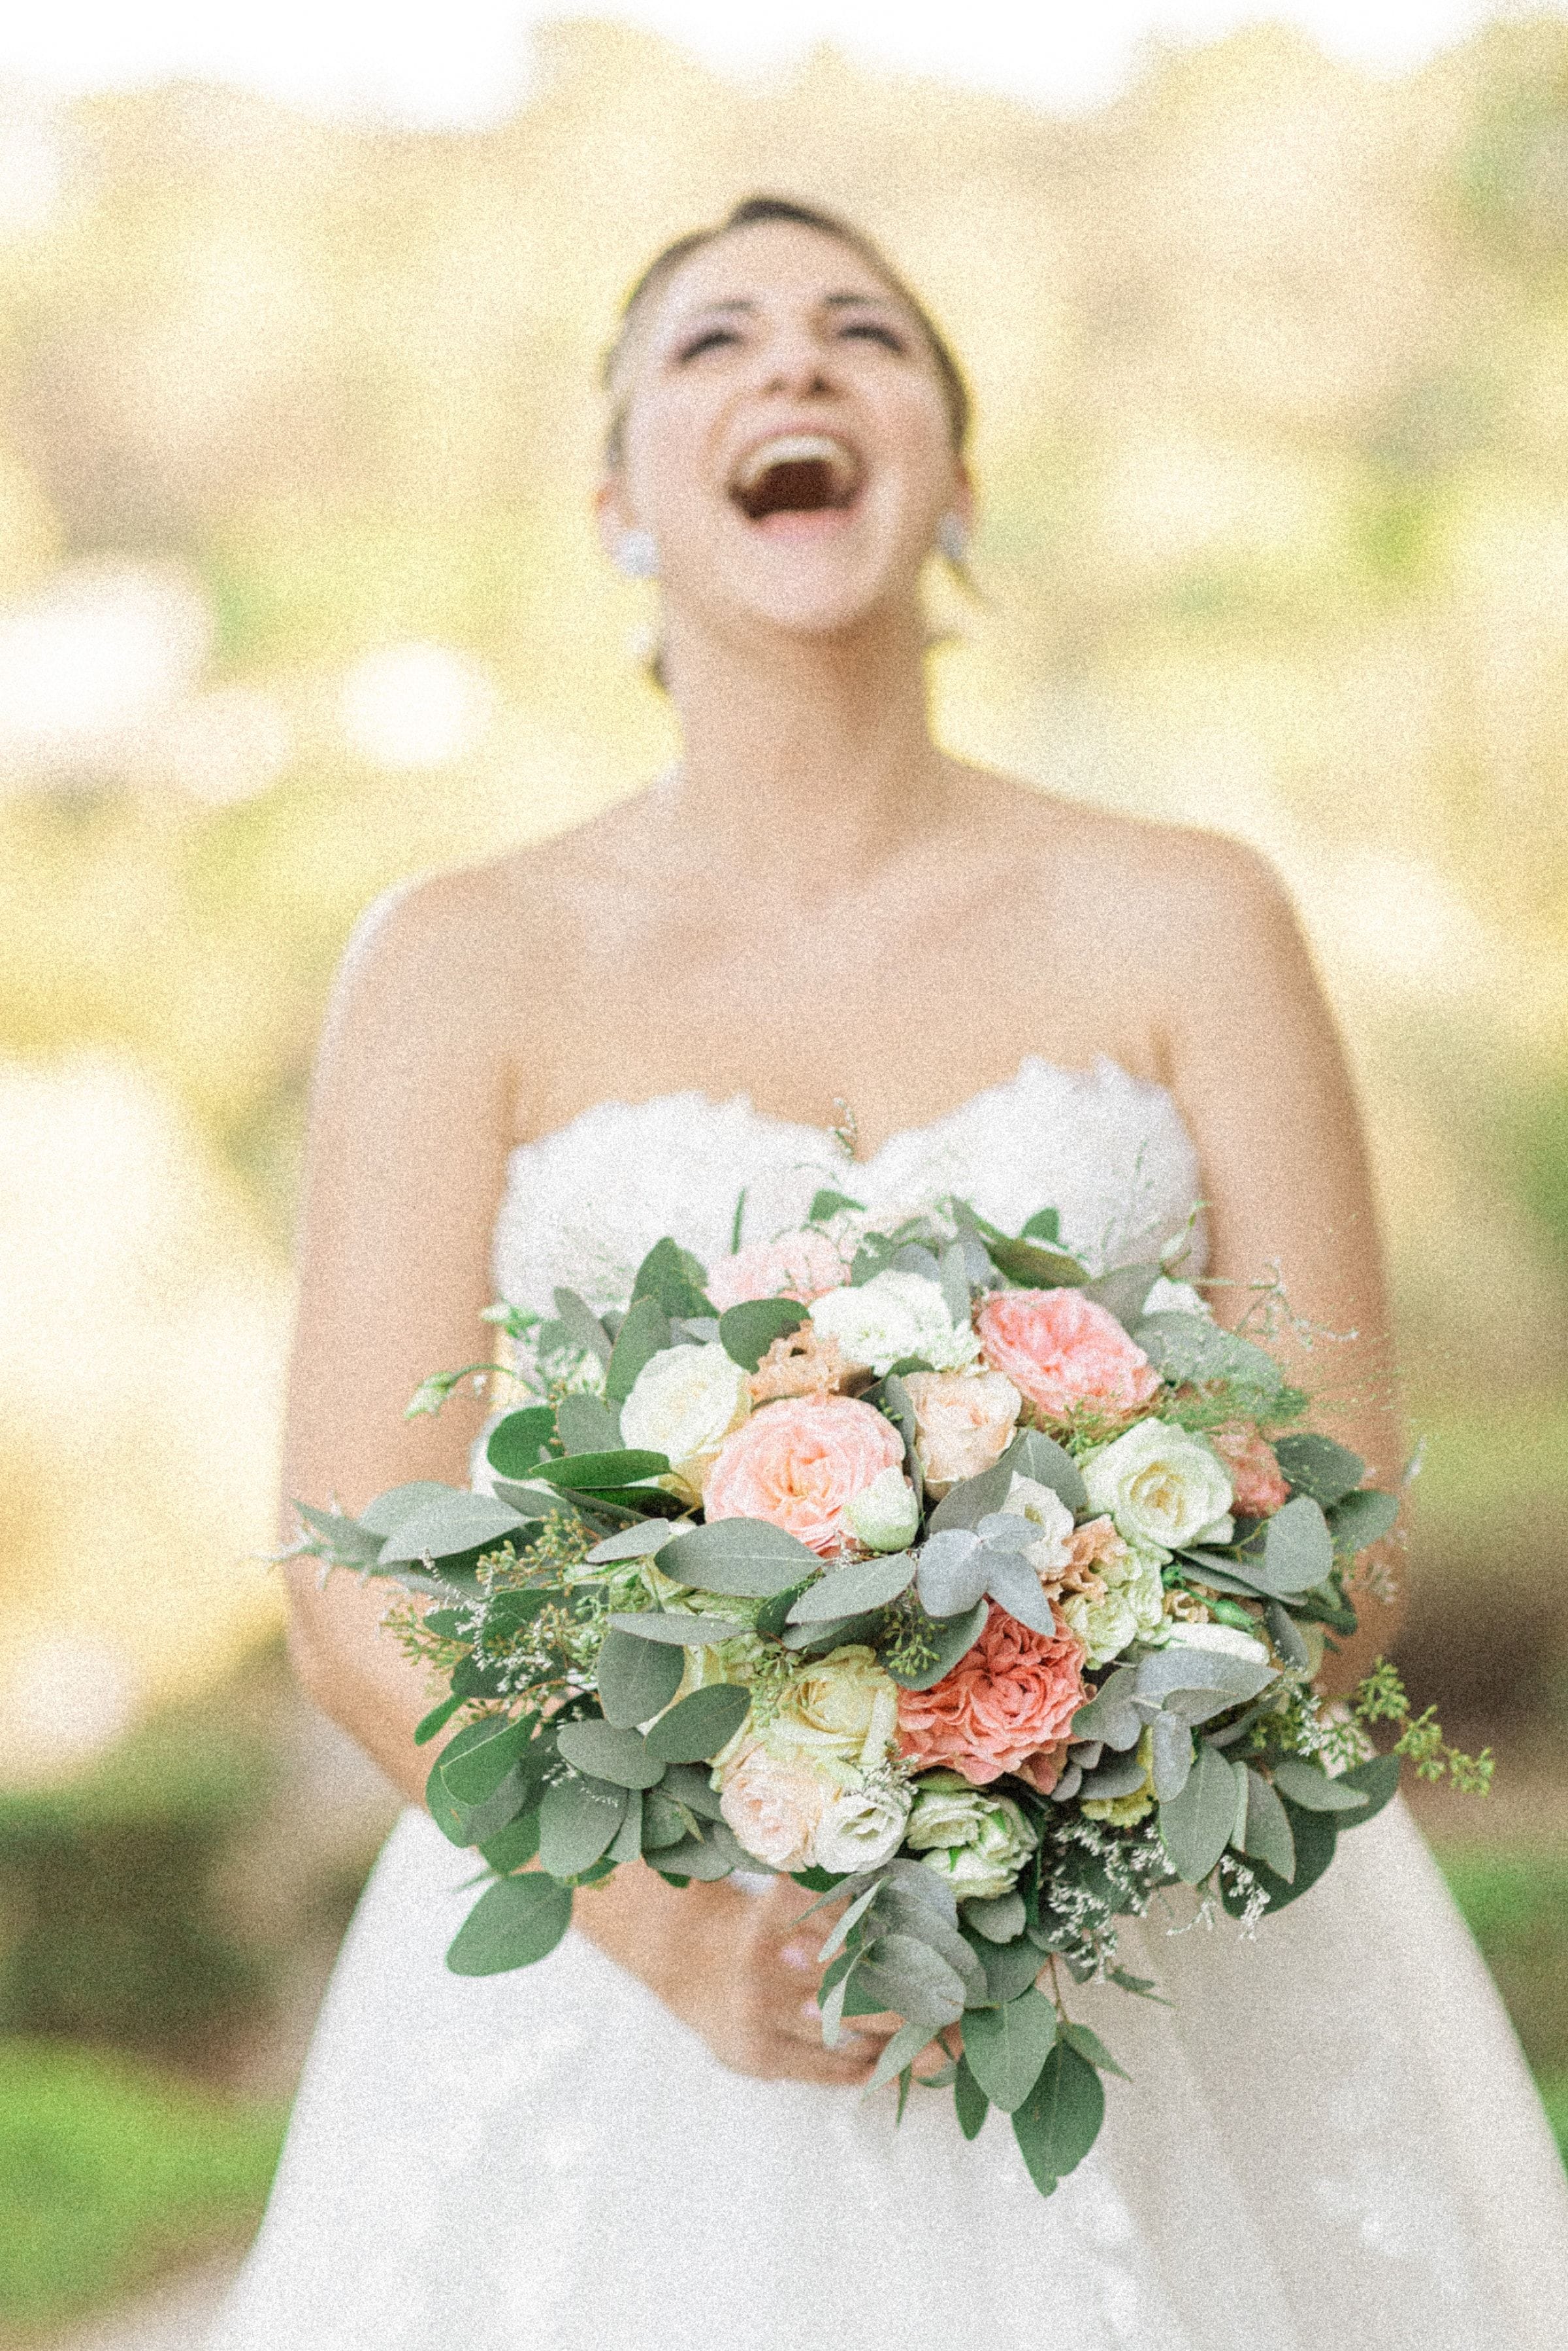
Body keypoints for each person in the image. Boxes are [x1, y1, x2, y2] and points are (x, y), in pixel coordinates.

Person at [214, 197, 1568, 2348]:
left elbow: (1347, 1491)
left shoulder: (1194, 916)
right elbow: (354, 1574)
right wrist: (672, 1932)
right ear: (618, 509)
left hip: (1156, 1956)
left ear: (955, 478)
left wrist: (1059, 1838)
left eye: (868, 335)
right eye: (713, 342)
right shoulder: (458, 957)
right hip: (625, 1979)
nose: (799, 366)